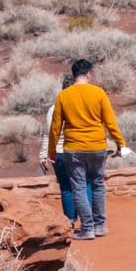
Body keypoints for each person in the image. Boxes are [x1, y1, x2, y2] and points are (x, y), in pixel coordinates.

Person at [47, 58, 131, 239]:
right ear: (89, 75)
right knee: (98, 184)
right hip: (97, 146)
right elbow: (110, 122)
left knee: (78, 187)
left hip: (74, 148)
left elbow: (55, 128)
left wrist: (51, 153)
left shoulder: (64, 96)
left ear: (73, 75)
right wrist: (120, 144)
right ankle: (99, 225)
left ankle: (87, 228)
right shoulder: (98, 93)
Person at [39, 72, 83, 229]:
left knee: (66, 188)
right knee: (84, 185)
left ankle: (70, 221)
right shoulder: (83, 106)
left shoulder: (54, 108)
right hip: (80, 150)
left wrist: (44, 155)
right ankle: (87, 221)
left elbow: (50, 133)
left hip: (60, 153)